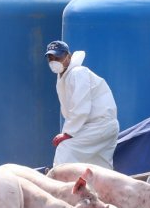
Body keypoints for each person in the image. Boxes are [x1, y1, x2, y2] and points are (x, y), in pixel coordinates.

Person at [45, 40, 119, 169]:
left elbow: (81, 106)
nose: (54, 61)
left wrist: (67, 133)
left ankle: (58, 185)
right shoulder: (64, 77)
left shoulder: (78, 72)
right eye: (50, 58)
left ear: (68, 56)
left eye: (58, 57)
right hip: (99, 126)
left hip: (99, 125)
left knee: (65, 148)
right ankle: (106, 188)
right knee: (99, 168)